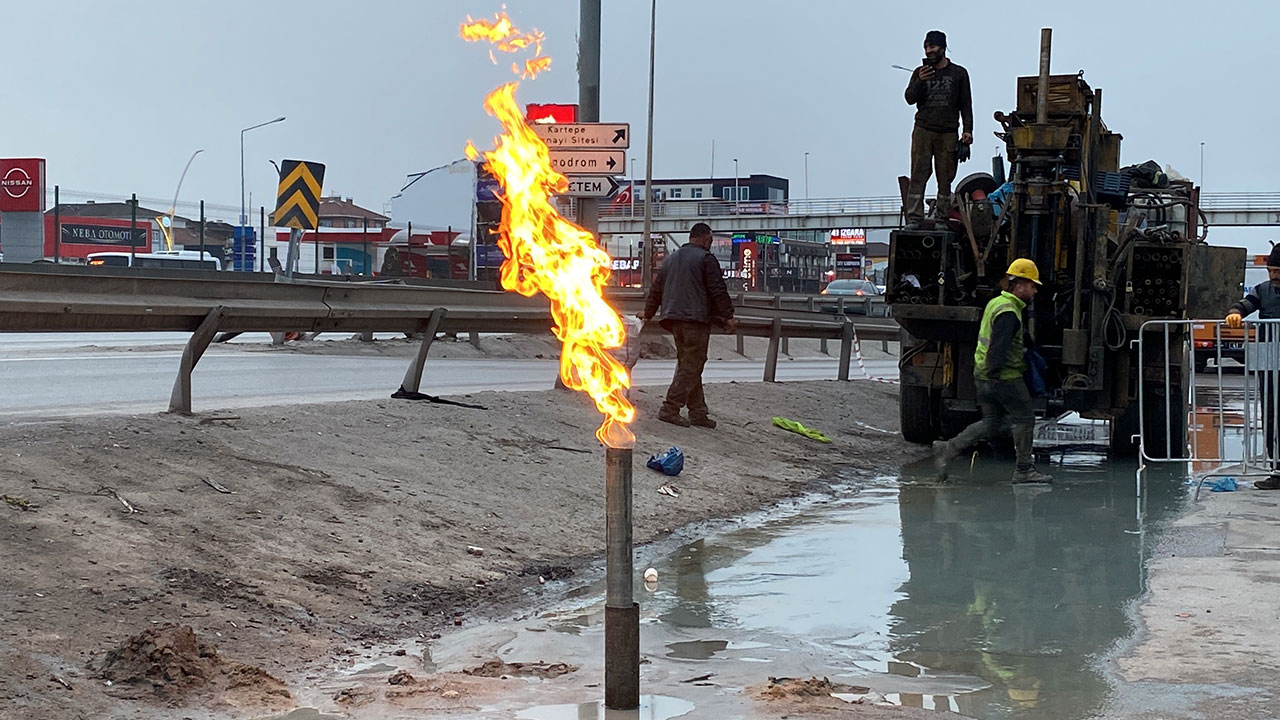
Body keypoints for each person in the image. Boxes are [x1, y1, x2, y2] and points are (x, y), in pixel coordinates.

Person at [933, 259, 1052, 484]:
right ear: (1019, 285)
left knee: (991, 422)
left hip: (982, 376)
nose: (1035, 290)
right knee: (1025, 418)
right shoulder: (1009, 312)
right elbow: (998, 347)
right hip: (1003, 376)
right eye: (1032, 285)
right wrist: (996, 374)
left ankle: (948, 449)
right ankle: (1024, 470)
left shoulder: (997, 303)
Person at [641, 222, 737, 428]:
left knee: (689, 365)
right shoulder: (706, 259)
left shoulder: (671, 258)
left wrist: (648, 313)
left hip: (673, 319)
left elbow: (657, 289)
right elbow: (717, 289)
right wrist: (728, 316)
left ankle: (698, 412)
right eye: (710, 240)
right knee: (692, 366)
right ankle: (670, 408)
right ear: (706, 239)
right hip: (694, 319)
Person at [903, 29, 974, 228]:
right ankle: (915, 218)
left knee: (945, 177)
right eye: (926, 47)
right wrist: (920, 81)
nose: (928, 51)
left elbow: (966, 104)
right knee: (918, 174)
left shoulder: (959, 73)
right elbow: (909, 98)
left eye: (932, 46)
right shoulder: (920, 72)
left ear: (942, 48)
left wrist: (968, 130)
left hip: (948, 132)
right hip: (923, 130)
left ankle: (942, 218)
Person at [1226, 244, 1280, 490]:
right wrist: (1235, 312)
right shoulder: (1263, 291)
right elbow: (1246, 304)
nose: (1274, 276)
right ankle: (1277, 469)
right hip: (1269, 363)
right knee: (1272, 416)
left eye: (1278, 271)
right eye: (1271, 271)